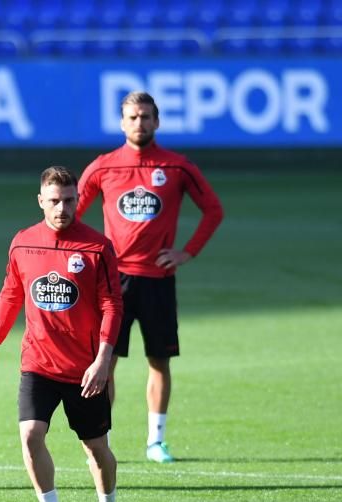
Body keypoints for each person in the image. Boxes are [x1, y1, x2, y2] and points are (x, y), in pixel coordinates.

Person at [0, 166, 123, 502]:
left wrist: (103, 359)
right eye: (54, 201)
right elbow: (10, 295)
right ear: (41, 201)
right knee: (30, 434)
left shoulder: (96, 247)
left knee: (95, 447)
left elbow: (112, 304)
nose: (62, 208)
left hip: (84, 368)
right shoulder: (22, 243)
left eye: (69, 200)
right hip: (38, 363)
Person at [77, 90, 223, 464]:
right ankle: (101, 439)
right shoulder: (104, 167)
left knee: (159, 360)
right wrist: (89, 256)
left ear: (156, 121)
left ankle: (156, 441)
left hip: (158, 279)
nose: (139, 123)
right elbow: (68, 215)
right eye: (132, 117)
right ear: (121, 122)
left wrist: (187, 251)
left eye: (145, 117)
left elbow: (213, 210)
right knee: (105, 362)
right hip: (112, 282)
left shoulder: (177, 167)